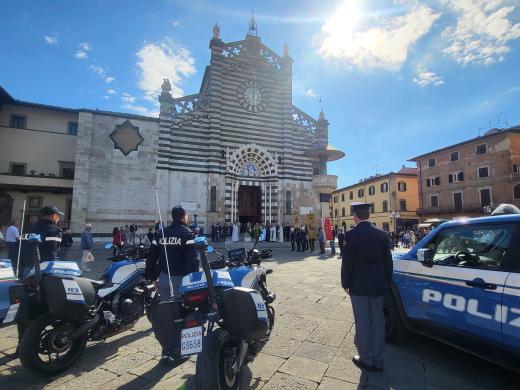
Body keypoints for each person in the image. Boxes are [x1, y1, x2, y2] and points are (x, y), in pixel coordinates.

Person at [341, 202, 392, 372]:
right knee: (378, 321)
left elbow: (347, 263)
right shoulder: (382, 234)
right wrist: (387, 282)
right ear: (369, 215)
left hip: (359, 286)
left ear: (355, 216)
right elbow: (388, 262)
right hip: (378, 285)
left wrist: (345, 283)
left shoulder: (351, 235)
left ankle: (366, 359)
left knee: (362, 322)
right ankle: (379, 360)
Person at [145, 205, 199, 366]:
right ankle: (179, 351)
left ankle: (167, 351)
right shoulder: (187, 234)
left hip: (164, 278)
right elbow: (192, 260)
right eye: (187, 215)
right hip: (180, 279)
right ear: (183, 216)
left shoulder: (161, 233)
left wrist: (152, 277)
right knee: (181, 314)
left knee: (167, 315)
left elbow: (151, 256)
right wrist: (193, 280)